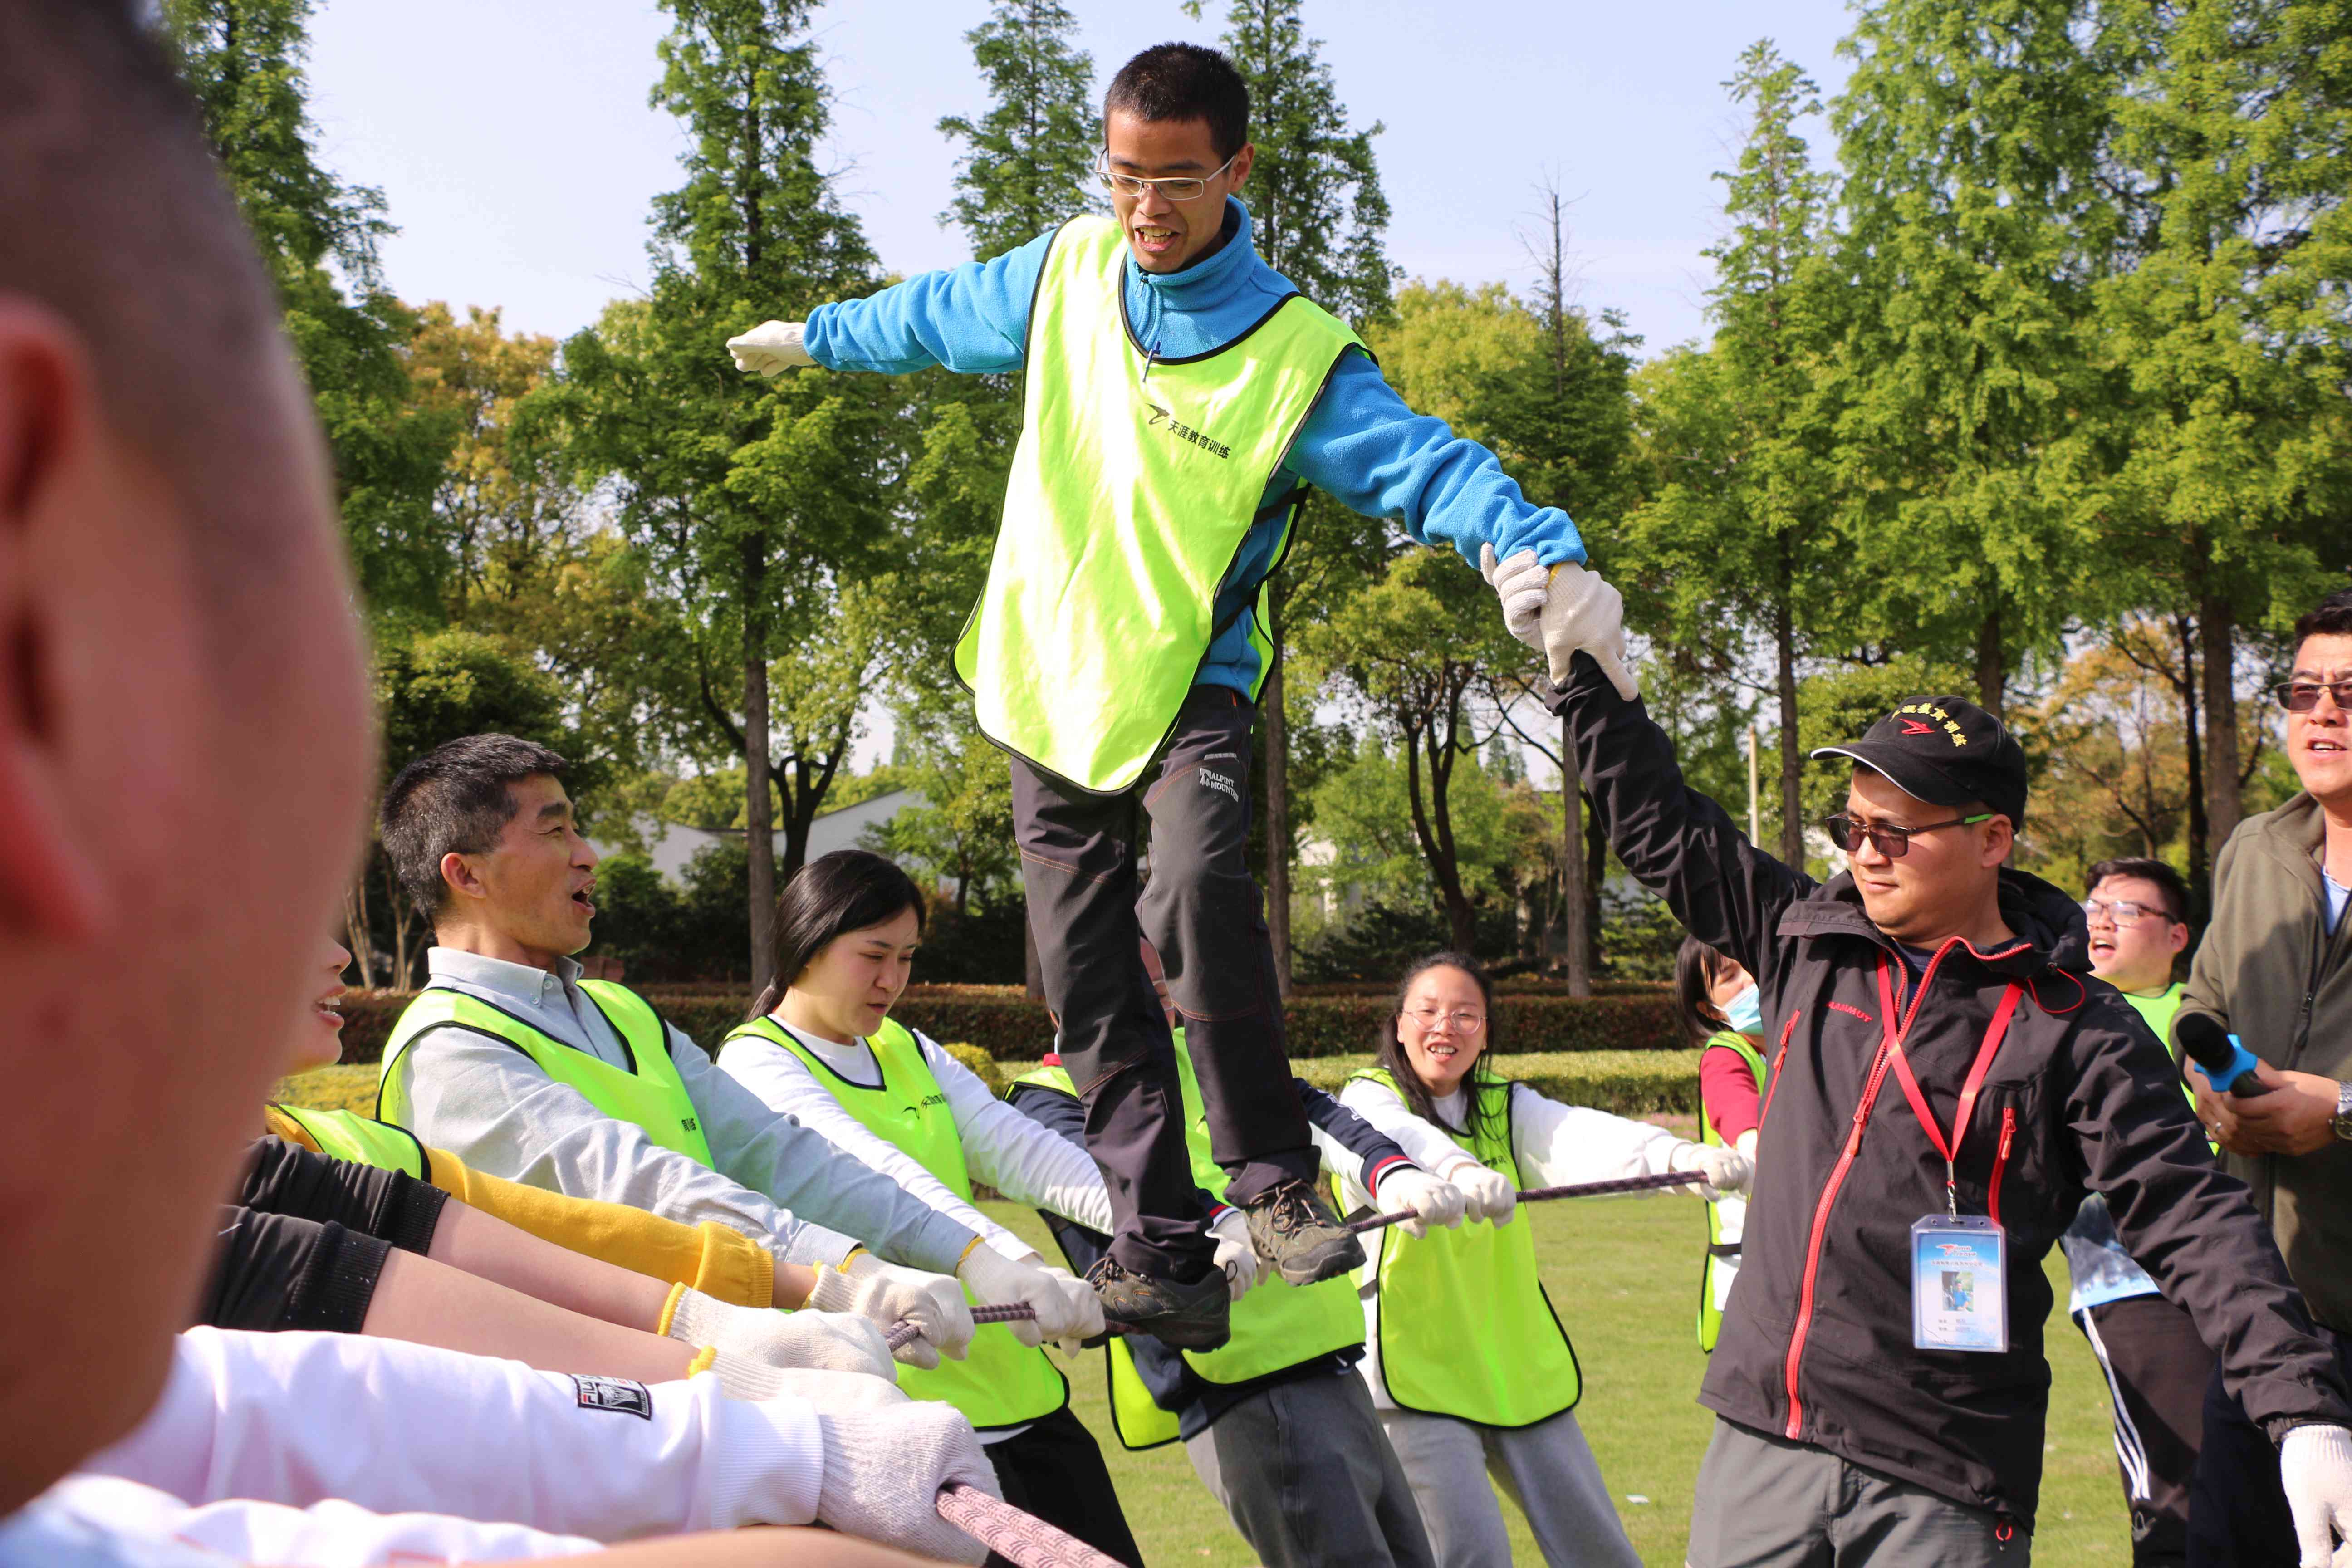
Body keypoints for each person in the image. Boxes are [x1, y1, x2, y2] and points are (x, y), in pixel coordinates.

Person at [0, 3, 939, 1560]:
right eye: (300, 589)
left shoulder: (616, 1012)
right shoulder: (444, 1049)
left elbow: (276, 1353)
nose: (321, 944)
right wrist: (737, 1360)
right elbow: (326, 1301)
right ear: (42, 649)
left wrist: (748, 1358)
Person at [723, 40, 1615, 1342]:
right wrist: (818, 337)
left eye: (1177, 181)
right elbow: (929, 313)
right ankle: (1160, 1243)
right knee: (1086, 972)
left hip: (1192, 681)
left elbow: (1423, 460)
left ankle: (1274, 1184)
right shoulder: (1067, 270)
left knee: (1196, 888)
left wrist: (1524, 540)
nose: (1146, 208)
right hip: (1045, 679)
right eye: (1126, 175)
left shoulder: (1297, 355)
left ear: (1237, 171)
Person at [1528, 564, 2352, 1566]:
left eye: (1897, 833)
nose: (1866, 855)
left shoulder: (2076, 1027)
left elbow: (2197, 1221)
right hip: (1765, 1441)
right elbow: (1660, 825)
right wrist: (1586, 676)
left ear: (1992, 839)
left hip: (1947, 1474)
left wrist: (2305, 1411)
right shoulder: (1801, 939)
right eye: (1853, 829)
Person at [375, 732, 1097, 1366]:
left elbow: (782, 1155)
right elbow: (646, 1191)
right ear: (465, 875)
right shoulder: (451, 1050)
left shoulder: (620, 1009)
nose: (589, 857)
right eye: (556, 832)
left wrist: (973, 1254)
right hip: (588, 1411)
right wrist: (846, 1270)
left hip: (711, 1379)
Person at [712, 850, 1135, 1564]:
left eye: (906, 957)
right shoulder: (758, 1064)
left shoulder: (907, 1047)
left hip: (1024, 1399)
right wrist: (1012, 1266)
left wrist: (1172, 1225)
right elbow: (883, 1179)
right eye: (872, 955)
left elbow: (1022, 1150)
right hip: (910, 1423)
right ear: (807, 942)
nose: (892, 980)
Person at [1005, 939, 1459, 1568]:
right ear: (1066, 1008)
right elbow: (1122, 1198)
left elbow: (1310, 1110)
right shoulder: (1047, 1098)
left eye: (1163, 996)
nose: (1161, 1014)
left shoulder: (1203, 1053)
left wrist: (1393, 1171)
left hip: (1323, 1353)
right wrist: (1219, 1225)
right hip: (1241, 1384)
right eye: (1139, 1001)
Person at [1335, 951, 1749, 1568]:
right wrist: (1458, 1169)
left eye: (1466, 1016)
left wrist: (1678, 1161)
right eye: (1427, 1012)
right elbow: (1397, 1139)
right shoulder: (1366, 1099)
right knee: (1473, 1556)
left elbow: (1582, 1136)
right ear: (1398, 1025)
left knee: (1602, 1554)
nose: (1444, 1027)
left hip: (1516, 1369)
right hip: (1414, 1375)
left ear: (1487, 1034)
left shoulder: (1504, 1106)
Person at [2179, 588, 2352, 1568]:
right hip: (2264, 1332)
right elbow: (2199, 1004)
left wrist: (2346, 1113)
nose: (2323, 712)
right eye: (2304, 690)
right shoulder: (2254, 850)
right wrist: (2215, 1085)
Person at [2052, 858, 2211, 1568]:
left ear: (2178, 936)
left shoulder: (2205, 1018)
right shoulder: (2061, 1014)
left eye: (2127, 909)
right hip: (2132, 1283)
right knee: (2176, 1486)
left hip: (2242, 1271)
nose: (2101, 919)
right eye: (2095, 905)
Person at [1678, 935, 1768, 1352]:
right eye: (1730, 976)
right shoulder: (1726, 1054)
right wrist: (1754, 1146)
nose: (1750, 979)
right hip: (1750, 1278)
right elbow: (1735, 1111)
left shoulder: (1803, 1042)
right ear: (1711, 1009)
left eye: (1751, 962)